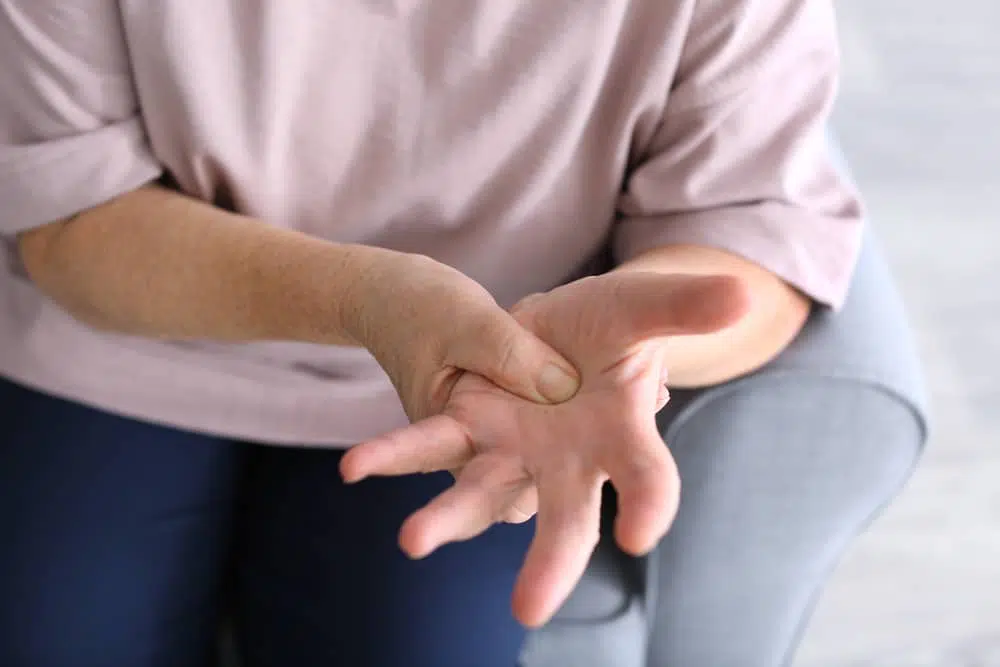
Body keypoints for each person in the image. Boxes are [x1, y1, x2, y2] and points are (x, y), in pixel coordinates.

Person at [0, 1, 870, 665]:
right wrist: (368, 298)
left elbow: (752, 226)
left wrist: (621, 336)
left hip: (489, 389)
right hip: (121, 335)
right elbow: (71, 214)